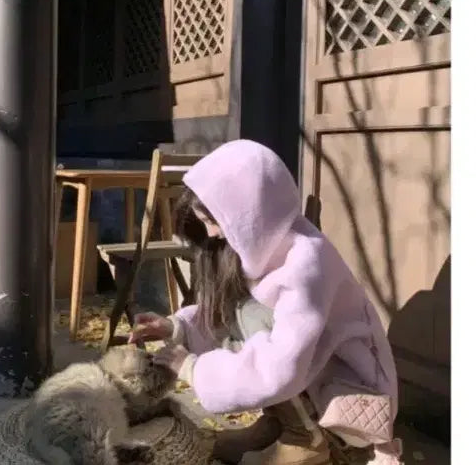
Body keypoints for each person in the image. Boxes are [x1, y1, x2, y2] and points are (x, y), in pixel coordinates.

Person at [129, 140, 403, 465]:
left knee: (256, 318)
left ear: (248, 215)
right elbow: (228, 315)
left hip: (352, 394)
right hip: (316, 379)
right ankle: (278, 423)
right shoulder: (264, 247)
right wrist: (176, 326)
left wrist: (192, 367)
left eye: (214, 222)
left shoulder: (306, 264)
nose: (212, 234)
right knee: (247, 311)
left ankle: (306, 438)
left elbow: (281, 367)